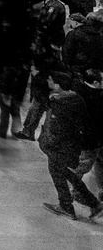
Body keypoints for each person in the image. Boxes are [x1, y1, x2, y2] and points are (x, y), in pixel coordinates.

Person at [39, 71, 103, 220]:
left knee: (61, 174)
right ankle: (91, 203)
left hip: (59, 148)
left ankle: (69, 206)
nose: (48, 82)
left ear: (57, 86)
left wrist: (47, 144)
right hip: (69, 146)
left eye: (50, 80)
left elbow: (57, 130)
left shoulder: (61, 104)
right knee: (67, 174)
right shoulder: (75, 99)